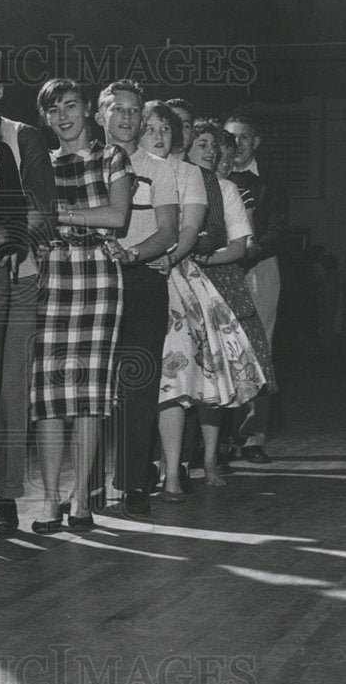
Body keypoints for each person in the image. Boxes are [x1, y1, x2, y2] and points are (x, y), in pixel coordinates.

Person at [139, 102, 266, 502]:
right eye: (155, 128)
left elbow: (230, 240)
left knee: (206, 374)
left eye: (173, 128)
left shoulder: (209, 182)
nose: (168, 135)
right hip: (154, 276)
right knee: (168, 378)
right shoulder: (135, 167)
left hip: (193, 279)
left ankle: (206, 460)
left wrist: (186, 255)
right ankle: (170, 470)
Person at [30, 79, 133, 533]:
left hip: (98, 278)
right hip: (52, 275)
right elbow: (30, 219)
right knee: (50, 395)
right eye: (53, 110)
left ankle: (82, 501)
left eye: (70, 106)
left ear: (89, 110)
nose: (63, 116)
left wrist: (59, 216)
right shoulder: (42, 162)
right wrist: (60, 222)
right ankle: (51, 501)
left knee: (90, 395)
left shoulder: (112, 157)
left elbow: (117, 217)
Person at [0, 49, 58, 537]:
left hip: (18, 278)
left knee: (9, 389)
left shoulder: (22, 136)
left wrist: (6, 236)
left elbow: (43, 211)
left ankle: (4, 495)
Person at [94, 81, 179, 517]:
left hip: (141, 279)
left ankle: (132, 484)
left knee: (138, 381)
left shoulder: (158, 168)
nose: (126, 118)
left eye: (133, 111)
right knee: (88, 382)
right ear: (100, 116)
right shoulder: (85, 160)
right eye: (117, 109)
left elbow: (167, 232)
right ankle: (86, 489)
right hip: (88, 280)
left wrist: (132, 253)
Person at [186, 120, 277, 485]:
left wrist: (203, 259)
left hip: (220, 282)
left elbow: (241, 246)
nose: (209, 153)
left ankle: (211, 457)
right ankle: (174, 462)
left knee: (217, 375)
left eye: (214, 146)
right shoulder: (172, 181)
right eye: (202, 144)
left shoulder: (226, 189)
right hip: (178, 282)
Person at [224, 113, 289, 463]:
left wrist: (251, 253)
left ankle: (253, 437)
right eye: (230, 138)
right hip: (220, 268)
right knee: (223, 350)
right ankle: (222, 437)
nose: (237, 144)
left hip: (260, 268)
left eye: (244, 137)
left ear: (256, 141)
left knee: (259, 349)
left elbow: (280, 230)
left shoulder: (273, 183)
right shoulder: (212, 176)